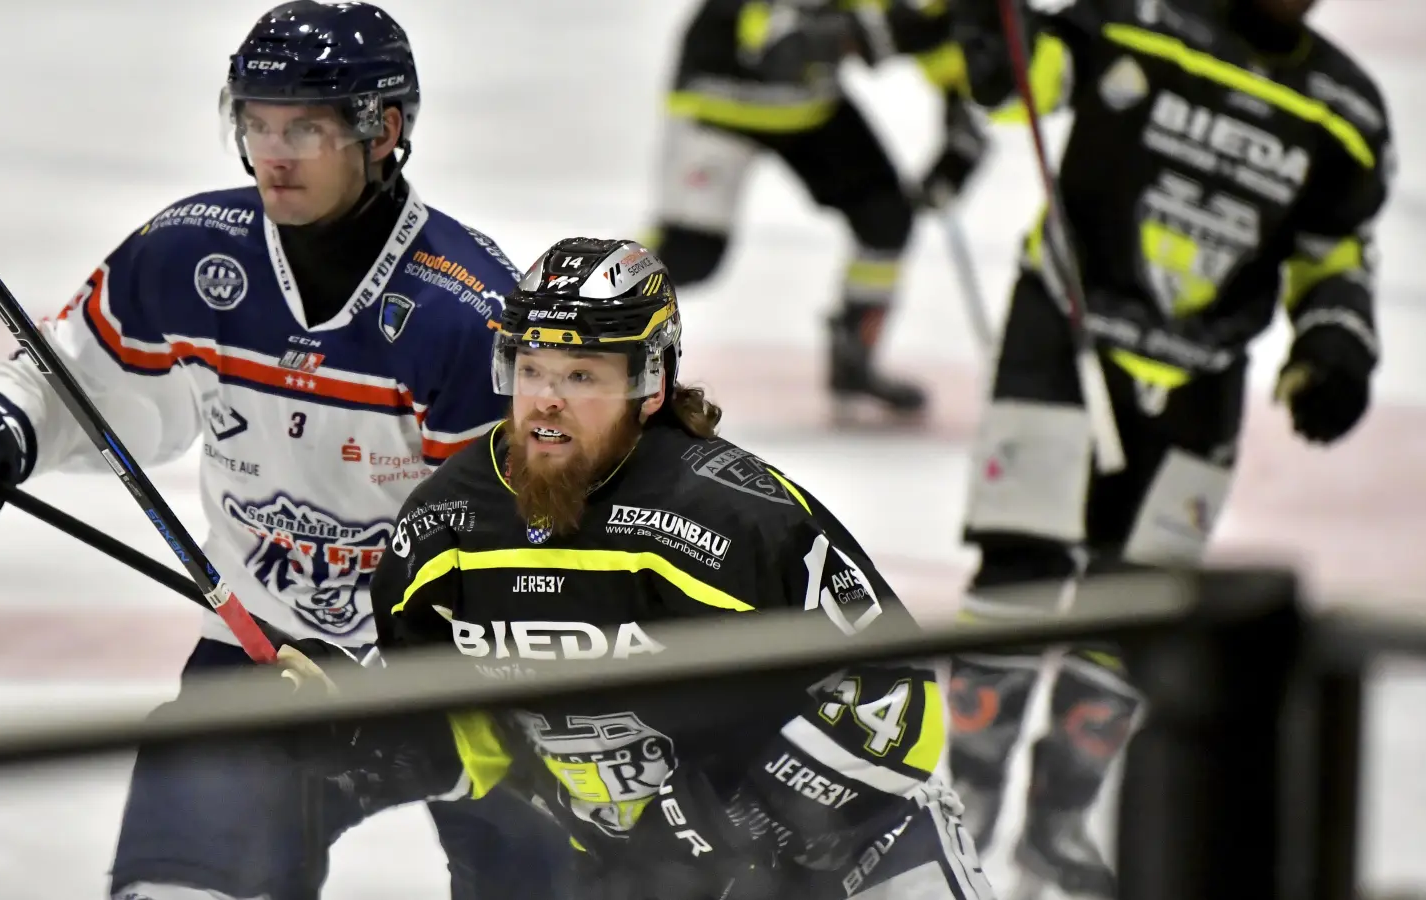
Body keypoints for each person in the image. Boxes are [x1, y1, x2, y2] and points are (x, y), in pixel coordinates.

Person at [0, 2, 573, 898]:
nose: (272, 154)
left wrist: (396, 671)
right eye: (255, 123)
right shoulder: (193, 253)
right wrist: (3, 423)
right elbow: (84, 382)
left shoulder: (465, 314)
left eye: (306, 128)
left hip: (462, 677)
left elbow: (524, 553)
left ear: (384, 132)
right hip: (265, 654)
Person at [282, 235, 997, 899]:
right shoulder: (444, 533)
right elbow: (479, 738)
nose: (547, 400)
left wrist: (732, 825)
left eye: (581, 374)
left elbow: (896, 700)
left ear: (650, 386)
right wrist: (367, 731)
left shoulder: (733, 516)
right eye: (530, 369)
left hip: (860, 863)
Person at [939, 0, 1395, 896]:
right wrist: (995, 48)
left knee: (1140, 595)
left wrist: (1335, 342)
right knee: (1019, 569)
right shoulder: (1136, 19)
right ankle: (963, 798)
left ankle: (1059, 821)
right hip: (1067, 334)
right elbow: (1029, 83)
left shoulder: (1346, 108)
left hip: (1201, 375)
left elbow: (1334, 250)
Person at [645, 0, 991, 416]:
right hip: (722, 99)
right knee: (690, 253)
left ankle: (854, 355)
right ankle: (588, 318)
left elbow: (927, 30)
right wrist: (872, 32)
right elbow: (779, 48)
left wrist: (958, 109)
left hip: (809, 104)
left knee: (886, 219)